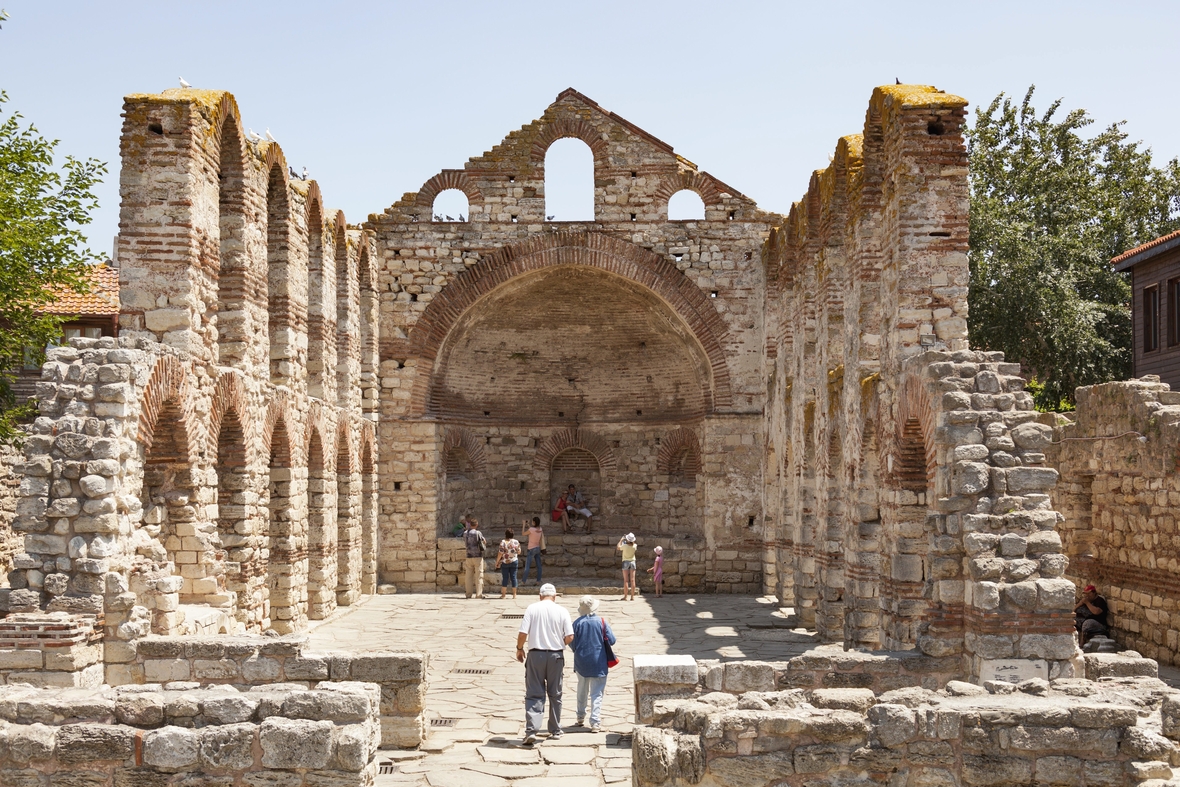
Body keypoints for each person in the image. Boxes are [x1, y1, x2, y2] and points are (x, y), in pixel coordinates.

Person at [515, 583, 574, 744]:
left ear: (540, 596)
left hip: (536, 655)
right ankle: (555, 729)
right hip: (556, 656)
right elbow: (570, 636)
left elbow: (522, 633)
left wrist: (519, 648)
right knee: (556, 693)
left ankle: (532, 730)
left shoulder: (532, 609)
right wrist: (558, 643)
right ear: (554, 596)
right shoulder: (562, 611)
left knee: (534, 693)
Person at [570, 595, 615, 733]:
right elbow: (612, 640)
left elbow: (572, 643)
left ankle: (580, 716)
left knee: (582, 689)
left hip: (581, 662)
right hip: (599, 662)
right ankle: (595, 722)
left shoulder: (577, 623)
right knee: (597, 693)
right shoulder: (602, 622)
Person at [463, 517, 487, 599]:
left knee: (468, 576)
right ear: (476, 524)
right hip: (477, 556)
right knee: (479, 575)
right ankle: (479, 594)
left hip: (468, 556)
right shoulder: (478, 533)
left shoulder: (465, 533)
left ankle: (468, 594)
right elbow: (483, 541)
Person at [498, 528, 522, 599]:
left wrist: (497, 561)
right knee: (514, 577)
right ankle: (514, 595)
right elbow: (519, 552)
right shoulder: (516, 542)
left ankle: (503, 595)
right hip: (514, 561)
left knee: (505, 578)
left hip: (505, 562)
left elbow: (500, 553)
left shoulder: (503, 542)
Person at [522, 517, 545, 585]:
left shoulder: (531, 529)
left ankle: (523, 581)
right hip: (537, 548)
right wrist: (528, 525)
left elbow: (523, 533)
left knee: (527, 566)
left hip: (531, 549)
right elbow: (533, 530)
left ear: (534, 522)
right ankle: (538, 581)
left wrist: (523, 525)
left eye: (532, 522)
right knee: (539, 566)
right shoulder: (540, 529)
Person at [617, 533, 638, 601]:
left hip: (625, 562)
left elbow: (618, 547)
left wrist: (621, 540)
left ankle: (625, 596)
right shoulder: (635, 545)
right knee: (632, 580)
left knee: (626, 580)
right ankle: (632, 596)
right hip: (633, 562)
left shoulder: (625, 546)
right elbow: (633, 544)